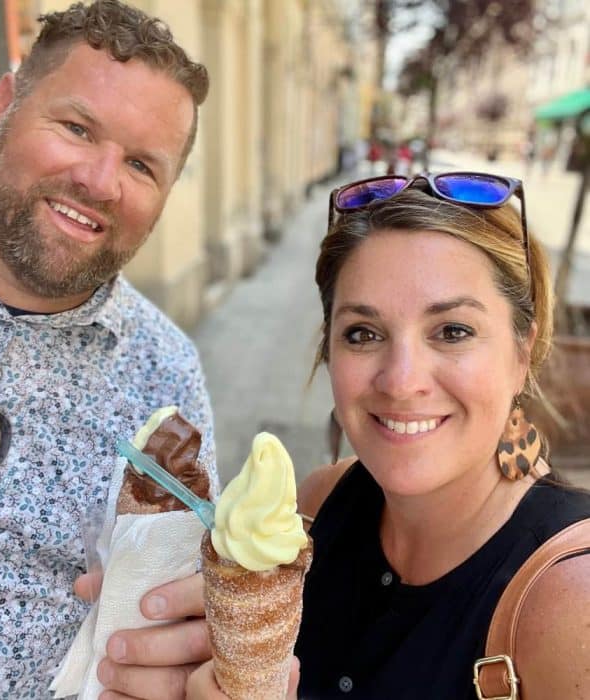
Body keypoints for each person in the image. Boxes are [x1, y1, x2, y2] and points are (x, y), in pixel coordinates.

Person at [186, 172, 590, 699]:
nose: (401, 381)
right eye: (363, 333)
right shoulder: (314, 506)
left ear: (522, 352)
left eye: (452, 331)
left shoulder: (570, 601)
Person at [0, 1, 218, 697]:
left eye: (141, 165)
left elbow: (181, 608)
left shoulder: (165, 377)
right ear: (2, 109)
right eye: (77, 128)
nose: (100, 183)